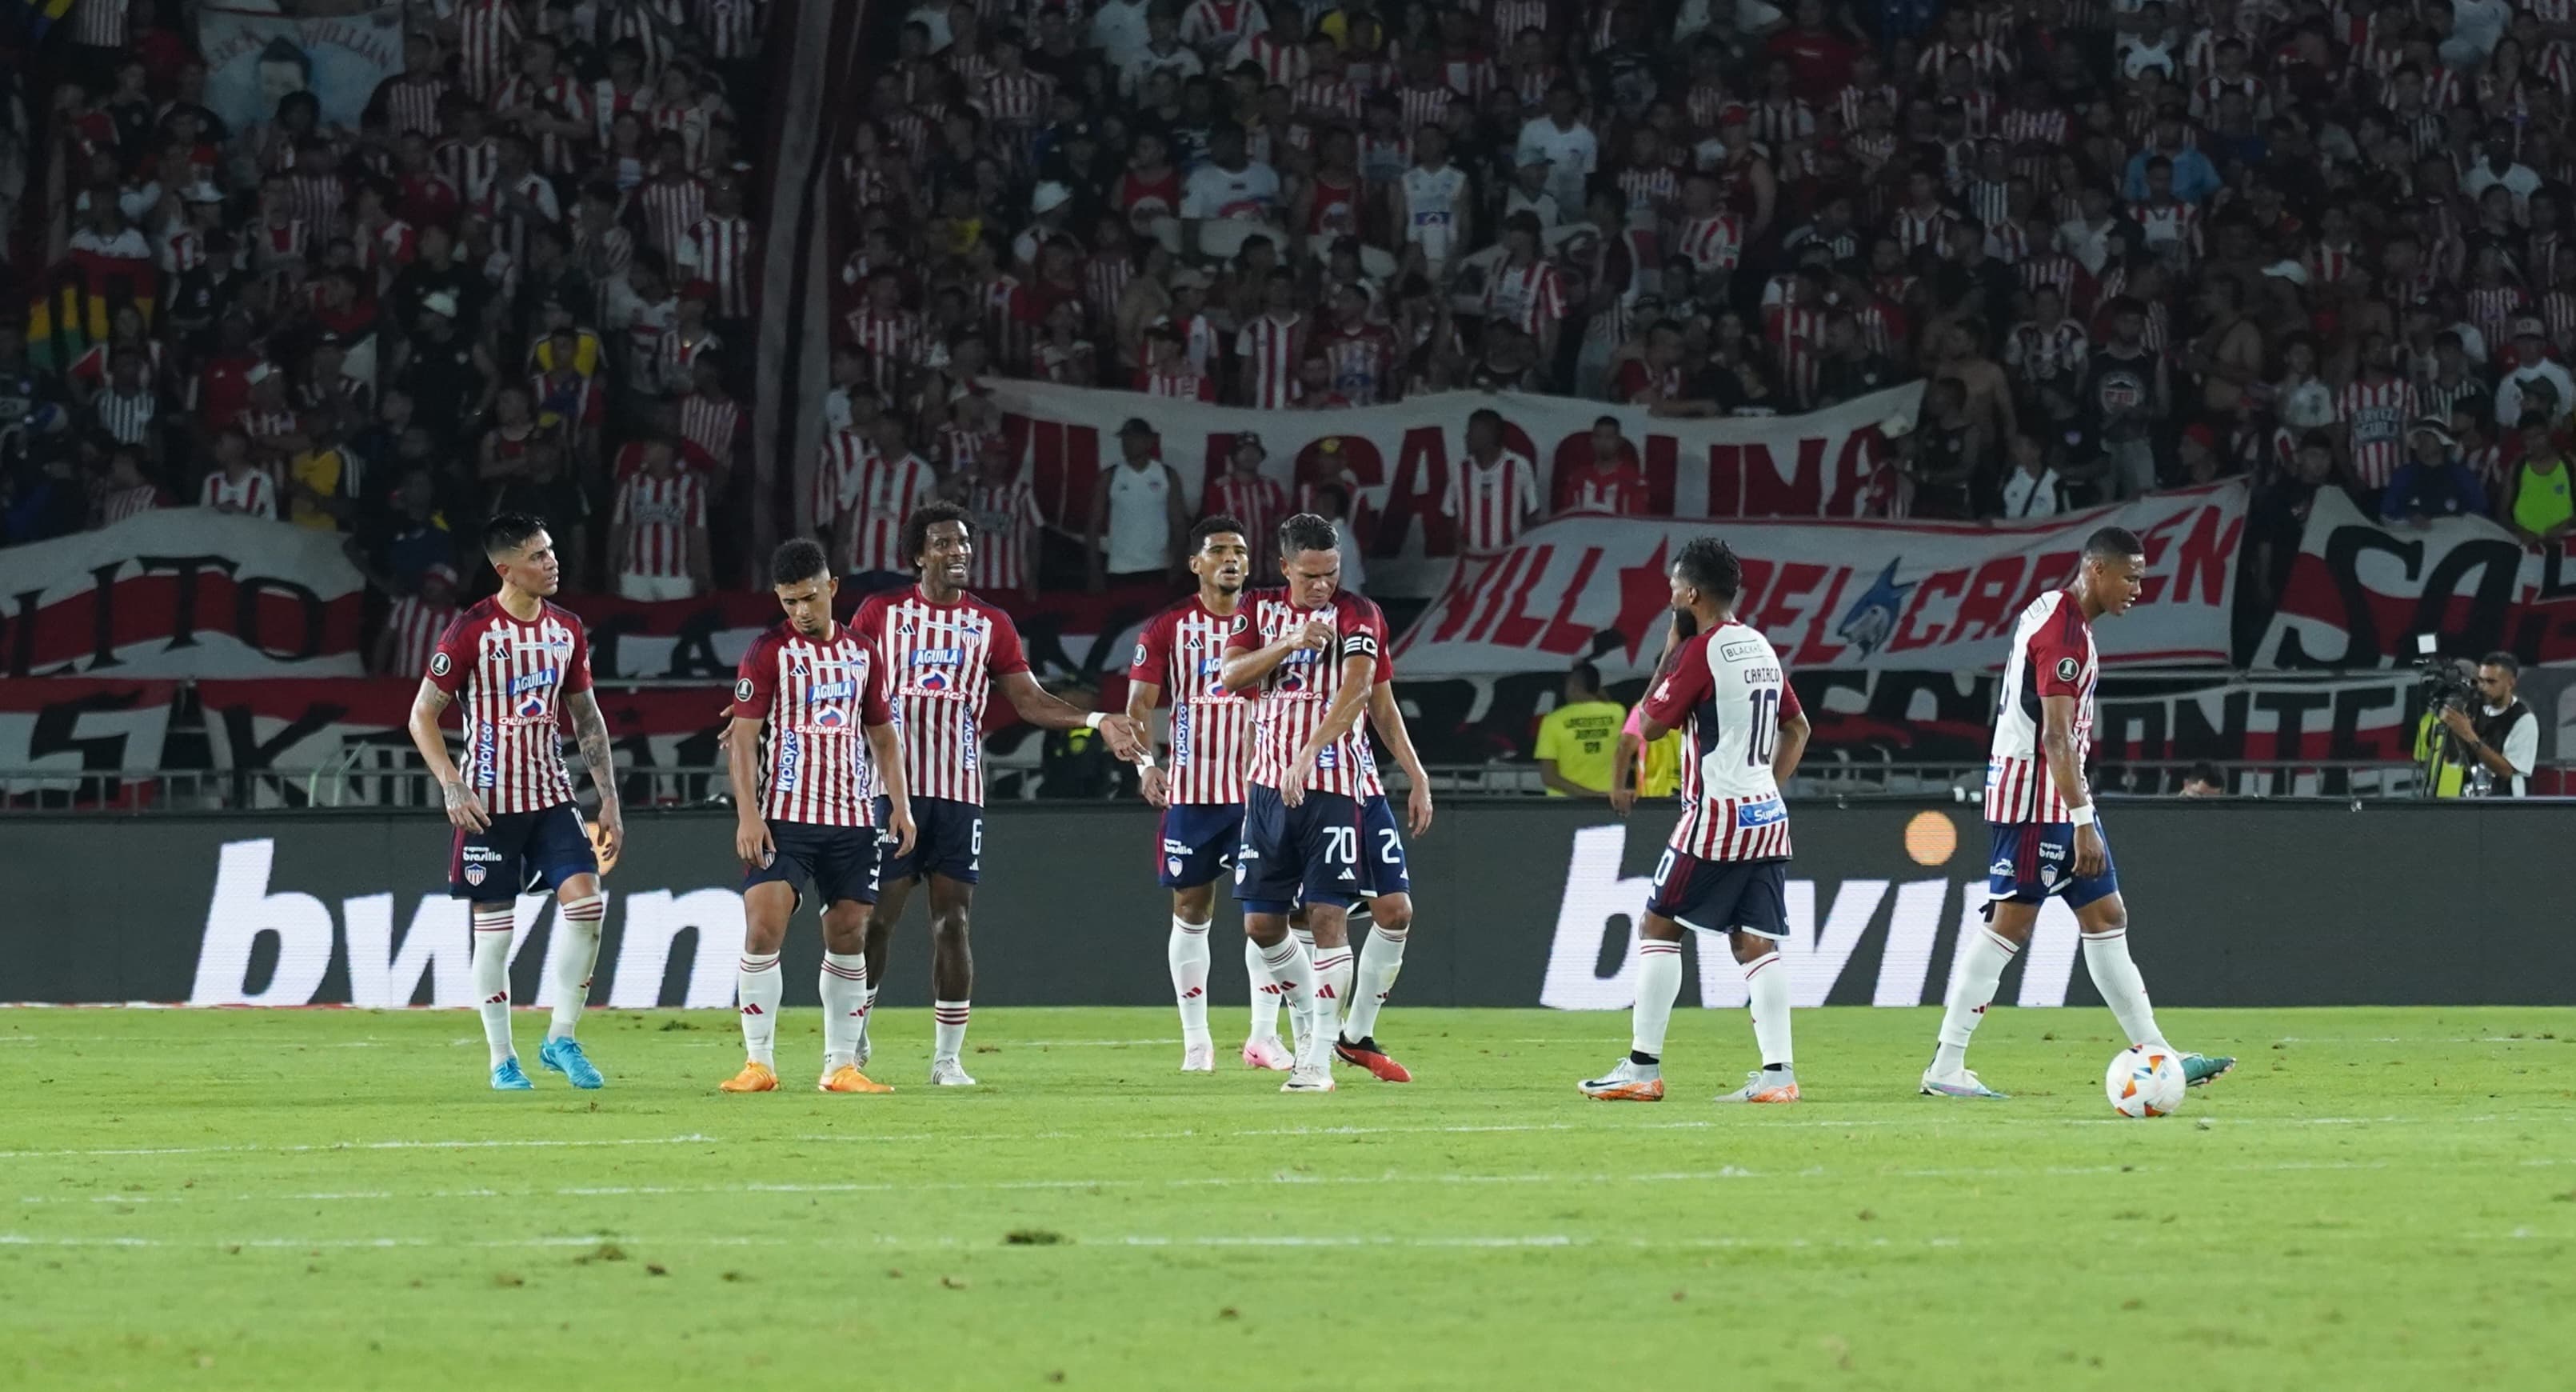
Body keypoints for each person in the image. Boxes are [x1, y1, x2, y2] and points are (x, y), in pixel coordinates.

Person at [1923, 526, 2235, 1099]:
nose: (2138, 588)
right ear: (2096, 570)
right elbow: (2056, 740)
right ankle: (1946, 1065)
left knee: (2105, 916)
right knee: (2008, 926)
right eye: (2131, 576)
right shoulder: (2064, 635)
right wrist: (2082, 818)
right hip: (2035, 798)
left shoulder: (2054, 610)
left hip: (2052, 794)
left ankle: (2158, 1054)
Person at [852, 502, 1144, 1085]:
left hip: (960, 794)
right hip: (888, 794)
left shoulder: (990, 624)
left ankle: (946, 1060)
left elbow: (1030, 699)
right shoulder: (879, 613)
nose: (957, 552)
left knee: (953, 922)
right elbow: (842, 674)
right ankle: (852, 1034)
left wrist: (1096, 720)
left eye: (962, 543)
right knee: (877, 922)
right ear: (918, 554)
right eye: (942, 543)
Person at [1580, 538, 1812, 1106]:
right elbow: (1798, 727)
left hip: (1714, 815)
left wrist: (1668, 651)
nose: (1668, 600)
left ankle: (1641, 1068)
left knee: (1658, 926)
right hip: (1765, 815)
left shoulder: (1699, 652)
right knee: (1756, 943)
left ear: (1689, 593)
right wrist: (1763, 786)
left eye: (1671, 591)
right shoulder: (1758, 645)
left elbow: (1653, 726)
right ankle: (1779, 1076)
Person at [403, 513, 621, 1093]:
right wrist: (452, 782)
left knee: (587, 906)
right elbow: (422, 714)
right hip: (490, 805)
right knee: (495, 935)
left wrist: (609, 798)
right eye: (538, 556)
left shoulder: (568, 628)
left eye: (551, 551)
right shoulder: (470, 630)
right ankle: (503, 1058)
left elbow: (586, 716)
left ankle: (562, 1038)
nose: (552, 563)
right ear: (506, 569)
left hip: (552, 796)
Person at [720, 538, 919, 1095]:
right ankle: (758, 1062)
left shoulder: (863, 652)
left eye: (809, 598)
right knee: (763, 925)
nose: (801, 612)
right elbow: (742, 739)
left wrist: (898, 805)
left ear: (832, 588)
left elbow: (882, 734)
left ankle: (840, 1066)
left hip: (853, 817)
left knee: (849, 932)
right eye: (789, 602)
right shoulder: (767, 652)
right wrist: (748, 816)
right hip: (783, 817)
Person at [1218, 511, 1389, 1092]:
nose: (1322, 586)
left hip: (1332, 785)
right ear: (1285, 566)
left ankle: (1316, 1059)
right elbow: (1231, 676)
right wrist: (1289, 641)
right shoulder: (1258, 609)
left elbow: (1356, 691)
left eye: (1331, 574)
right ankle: (1311, 1019)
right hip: (1267, 789)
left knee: (1326, 916)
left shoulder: (1357, 613)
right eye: (1311, 575)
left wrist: (1308, 754)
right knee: (1261, 924)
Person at [1126, 516, 1258, 1071]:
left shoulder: (1270, 621)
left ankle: (1263, 1036)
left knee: (1273, 911)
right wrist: (1143, 765)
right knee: (1190, 908)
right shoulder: (1168, 627)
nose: (1231, 559)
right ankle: (1196, 1042)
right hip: (1194, 791)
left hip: (1261, 790)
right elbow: (1138, 704)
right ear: (1195, 564)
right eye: (1219, 550)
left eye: (1240, 551)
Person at [1086, 417, 1189, 592]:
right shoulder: (1110, 476)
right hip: (1119, 568)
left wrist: (1178, 566)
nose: (1127, 443)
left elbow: (1179, 523)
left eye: (1134, 438)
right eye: (1125, 438)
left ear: (1149, 441)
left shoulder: (1166, 475)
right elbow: (1093, 525)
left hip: (1158, 567)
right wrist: (1094, 570)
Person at [2436, 653, 2538, 798]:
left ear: (2511, 683)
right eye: (2481, 681)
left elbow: (2507, 771)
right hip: (2471, 800)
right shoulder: (2474, 708)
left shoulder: (2523, 718)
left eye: (2491, 682)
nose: (2483, 687)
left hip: (2505, 805)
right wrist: (2453, 729)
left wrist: (2469, 735)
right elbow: (2456, 760)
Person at [1534, 662, 1624, 797]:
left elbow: (1549, 777)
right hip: (1609, 800)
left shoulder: (1553, 721)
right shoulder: (1618, 713)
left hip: (1565, 805)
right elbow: (1606, 701)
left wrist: (1588, 795)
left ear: (1572, 686)